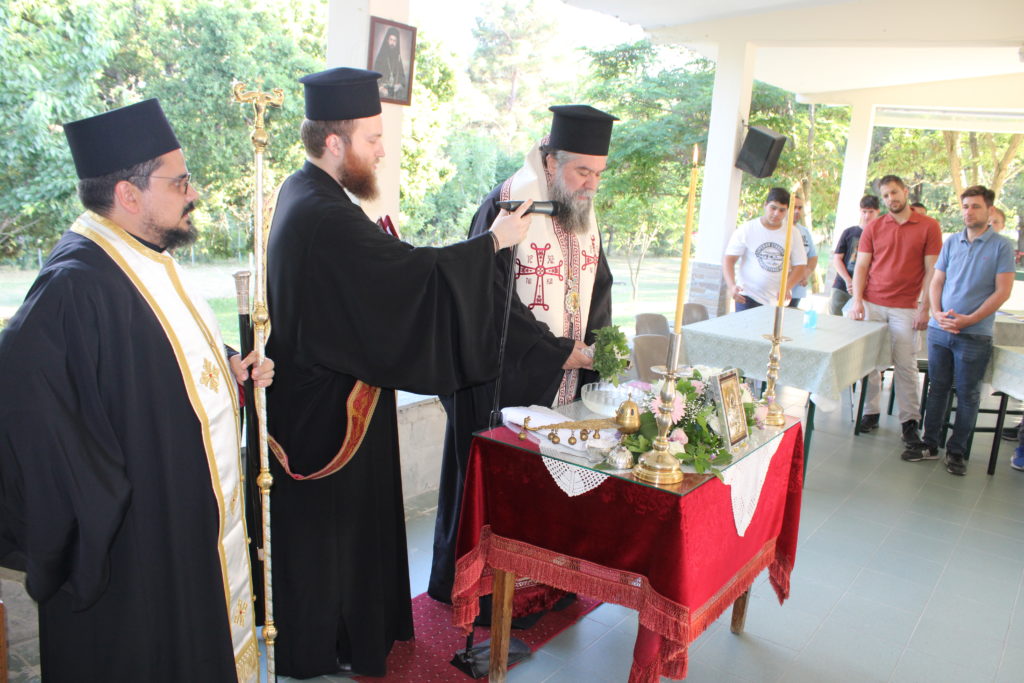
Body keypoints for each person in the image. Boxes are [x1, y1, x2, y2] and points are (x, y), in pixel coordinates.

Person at [264, 67, 532, 678]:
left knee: (340, 534)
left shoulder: (304, 191)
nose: (382, 150)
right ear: (335, 142)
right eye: (373, 137)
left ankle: (344, 637)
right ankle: (334, 643)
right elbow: (404, 275)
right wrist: (491, 243)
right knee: (336, 535)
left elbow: (379, 276)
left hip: (329, 395)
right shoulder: (323, 212)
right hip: (330, 413)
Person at [0, 99, 274, 682]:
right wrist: (102, 501)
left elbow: (150, 353)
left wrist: (225, 365)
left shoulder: (140, 257)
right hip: (140, 547)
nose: (193, 193)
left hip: (181, 530)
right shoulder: (75, 279)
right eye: (179, 182)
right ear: (128, 194)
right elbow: (26, 391)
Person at [428, 105, 616, 609]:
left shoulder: (581, 210)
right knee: (501, 488)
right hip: (506, 379)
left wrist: (596, 346)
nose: (592, 185)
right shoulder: (509, 203)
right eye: (583, 171)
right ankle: (489, 598)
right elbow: (486, 296)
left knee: (552, 482)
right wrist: (553, 352)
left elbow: (598, 284)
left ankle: (545, 585)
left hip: (564, 380)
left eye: (599, 174)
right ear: (551, 162)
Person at [909, 186, 1014, 473]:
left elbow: (1002, 292)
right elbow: (937, 281)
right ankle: (930, 444)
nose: (969, 212)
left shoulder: (1001, 246)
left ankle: (957, 452)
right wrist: (937, 313)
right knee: (938, 388)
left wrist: (969, 319)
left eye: (976, 206)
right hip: (940, 329)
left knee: (967, 394)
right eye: (965, 206)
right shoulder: (952, 242)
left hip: (974, 333)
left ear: (989, 210)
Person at [848, 175, 942, 448]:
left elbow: (932, 271)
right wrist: (857, 301)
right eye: (886, 195)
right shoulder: (874, 226)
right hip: (872, 303)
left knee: (906, 365)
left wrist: (925, 307)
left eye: (894, 192)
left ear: (905, 191)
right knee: (868, 363)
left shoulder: (929, 226)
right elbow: (862, 266)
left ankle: (909, 422)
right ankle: (870, 412)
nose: (891, 199)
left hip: (906, 306)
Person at [723, 187, 808, 311]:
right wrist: (731, 286)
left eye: (782, 210)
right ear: (765, 205)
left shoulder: (793, 233)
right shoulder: (747, 229)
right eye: (773, 208)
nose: (776, 214)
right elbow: (729, 260)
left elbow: (800, 265)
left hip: (776, 299)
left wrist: (787, 286)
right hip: (748, 296)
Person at [829, 195, 879, 316]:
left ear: (877, 212)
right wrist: (848, 280)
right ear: (860, 211)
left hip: (866, 288)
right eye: (864, 212)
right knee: (834, 318)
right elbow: (837, 259)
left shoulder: (880, 235)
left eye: (871, 212)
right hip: (842, 285)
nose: (867, 216)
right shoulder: (849, 232)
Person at [788, 193, 818, 308]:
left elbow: (813, 257)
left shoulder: (804, 231)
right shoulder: (778, 230)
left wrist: (805, 273)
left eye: (800, 208)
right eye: (793, 207)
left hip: (797, 291)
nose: (797, 211)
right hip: (777, 290)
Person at [373, 27, 406, 100]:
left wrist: (399, 85)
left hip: (394, 93)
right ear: (387, 40)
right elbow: (375, 76)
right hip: (382, 91)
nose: (392, 43)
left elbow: (402, 78)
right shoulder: (381, 56)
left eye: (394, 41)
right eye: (391, 40)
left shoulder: (398, 58)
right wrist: (380, 87)